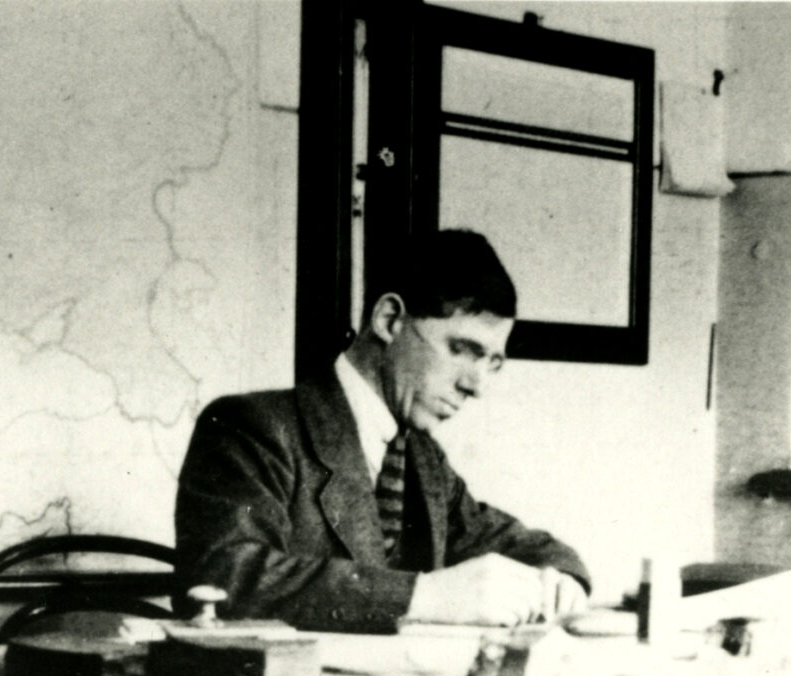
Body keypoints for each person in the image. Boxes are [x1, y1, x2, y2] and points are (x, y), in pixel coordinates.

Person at [174, 229, 590, 632]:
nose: (476, 385)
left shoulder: (423, 458)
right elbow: (225, 576)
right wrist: (423, 596)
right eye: (462, 350)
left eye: (492, 363)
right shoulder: (252, 427)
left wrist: (561, 579)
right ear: (390, 320)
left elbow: (519, 544)